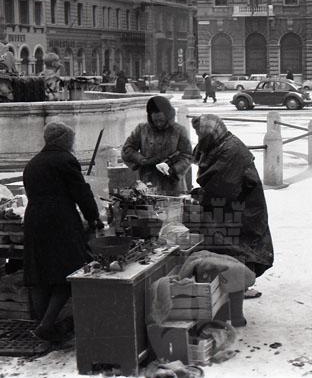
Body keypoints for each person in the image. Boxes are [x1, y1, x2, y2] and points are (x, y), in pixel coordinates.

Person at [23, 121, 104, 342]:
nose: (72, 144)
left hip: (33, 221)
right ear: (64, 139)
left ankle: (43, 324)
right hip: (59, 221)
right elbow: (81, 192)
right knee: (70, 272)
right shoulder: (65, 160)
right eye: (71, 140)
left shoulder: (32, 163)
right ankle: (46, 325)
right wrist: (93, 217)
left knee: (39, 274)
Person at [191, 114, 274, 297]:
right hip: (233, 202)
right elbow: (200, 158)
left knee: (237, 244)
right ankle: (232, 285)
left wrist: (200, 196)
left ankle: (239, 286)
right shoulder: (219, 143)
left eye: (200, 134)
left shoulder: (231, 149)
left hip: (245, 207)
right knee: (228, 242)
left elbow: (223, 187)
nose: (199, 138)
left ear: (210, 133)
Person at [122, 96, 192, 195]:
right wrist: (141, 159)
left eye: (161, 120)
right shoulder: (142, 129)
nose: (158, 124)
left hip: (173, 185)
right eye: (155, 121)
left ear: (168, 116)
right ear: (150, 118)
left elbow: (187, 156)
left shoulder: (179, 131)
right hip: (147, 182)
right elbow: (127, 149)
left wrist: (173, 169)